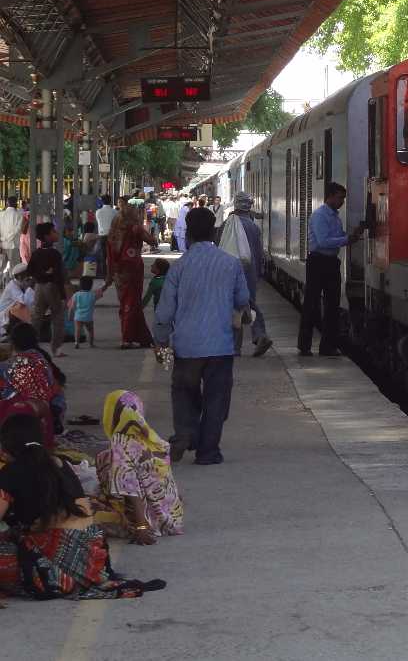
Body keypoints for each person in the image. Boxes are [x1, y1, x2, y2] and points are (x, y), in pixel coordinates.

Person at [0, 415, 166, 599]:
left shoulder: (10, 473)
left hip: (53, 572)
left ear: (8, 445)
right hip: (95, 564)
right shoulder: (59, 464)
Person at [154, 207, 249, 465]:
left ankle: (185, 434)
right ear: (214, 232)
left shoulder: (179, 267)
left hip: (186, 347)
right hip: (220, 346)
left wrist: (160, 339)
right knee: (216, 399)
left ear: (189, 234)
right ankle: (208, 452)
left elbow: (165, 311)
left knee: (184, 392)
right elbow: (242, 299)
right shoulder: (230, 263)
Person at [95, 390, 184, 543]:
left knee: (86, 513)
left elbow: (131, 487)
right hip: (170, 516)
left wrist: (141, 527)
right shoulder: (149, 435)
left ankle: (136, 521)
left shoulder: (120, 442)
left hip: (150, 520)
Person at [298, 181, 364, 357]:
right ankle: (304, 346)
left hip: (330, 262)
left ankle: (327, 347)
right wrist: (345, 240)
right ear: (330, 196)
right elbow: (322, 241)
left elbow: (335, 237)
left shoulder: (335, 216)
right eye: (340, 198)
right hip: (318, 262)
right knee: (311, 304)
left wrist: (350, 236)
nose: (342, 201)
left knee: (332, 306)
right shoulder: (320, 216)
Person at [219, 192, 272, 357]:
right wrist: (258, 273)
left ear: (235, 205)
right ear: (249, 207)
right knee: (249, 303)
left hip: (229, 270)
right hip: (248, 272)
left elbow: (219, 245)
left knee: (233, 306)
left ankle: (236, 346)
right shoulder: (253, 227)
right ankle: (259, 334)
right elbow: (257, 253)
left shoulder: (227, 224)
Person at [101, 206, 156, 349]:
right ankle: (128, 338)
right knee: (132, 303)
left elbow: (109, 257)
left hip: (118, 272)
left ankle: (141, 337)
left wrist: (109, 276)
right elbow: (152, 241)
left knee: (126, 303)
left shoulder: (112, 234)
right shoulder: (135, 228)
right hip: (133, 270)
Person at [0, 324, 61, 448]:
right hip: (48, 422)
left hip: (20, 421)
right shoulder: (42, 359)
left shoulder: (7, 366)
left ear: (12, 343)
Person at [28, 222, 67, 357]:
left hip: (39, 287)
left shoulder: (36, 253)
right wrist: (63, 295)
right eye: (53, 231)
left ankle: (28, 347)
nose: (56, 233)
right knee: (58, 317)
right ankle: (56, 349)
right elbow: (59, 276)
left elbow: (30, 270)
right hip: (53, 287)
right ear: (47, 236)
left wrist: (42, 275)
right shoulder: (55, 254)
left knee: (37, 317)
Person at [0, 264, 34, 339]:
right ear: (19, 277)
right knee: (20, 307)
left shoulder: (20, 284)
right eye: (27, 276)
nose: (29, 278)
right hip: (4, 317)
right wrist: (29, 287)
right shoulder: (12, 286)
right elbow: (24, 301)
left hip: (8, 314)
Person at [69, 277, 98, 350]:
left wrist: (70, 315)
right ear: (91, 286)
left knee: (77, 330)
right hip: (88, 317)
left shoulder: (76, 294)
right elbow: (95, 299)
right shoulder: (92, 295)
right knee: (90, 330)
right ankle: (91, 343)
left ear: (80, 285)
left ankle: (76, 343)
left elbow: (72, 307)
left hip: (78, 316)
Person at [0, 197, 22, 282]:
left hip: (2, 245)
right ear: (16, 203)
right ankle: (13, 285)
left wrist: (3, 239)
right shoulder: (19, 215)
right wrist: (8, 238)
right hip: (13, 245)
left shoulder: (1, 214)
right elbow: (17, 230)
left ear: (7, 203)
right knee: (15, 268)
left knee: (1, 267)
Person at [95, 195, 116, 280]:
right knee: (112, 256)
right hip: (112, 236)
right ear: (110, 201)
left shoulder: (98, 212)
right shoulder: (115, 212)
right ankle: (112, 274)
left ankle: (104, 275)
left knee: (103, 256)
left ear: (102, 201)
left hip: (102, 236)